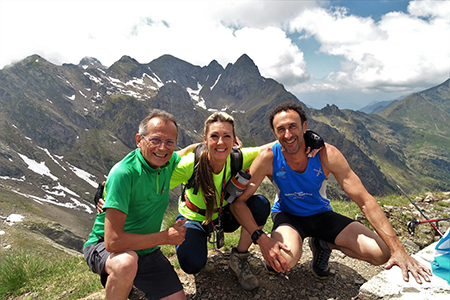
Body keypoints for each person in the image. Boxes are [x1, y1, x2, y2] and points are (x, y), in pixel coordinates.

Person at [231, 102, 433, 285]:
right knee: (283, 262)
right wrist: (262, 239)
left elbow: (364, 200)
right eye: (281, 129)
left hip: (322, 214)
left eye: (293, 126)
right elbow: (240, 202)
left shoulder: (327, 154)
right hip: (288, 216)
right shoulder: (268, 158)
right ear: (274, 133)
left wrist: (399, 250)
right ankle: (299, 245)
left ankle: (322, 244)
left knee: (380, 254)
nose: (287, 134)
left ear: (304, 126)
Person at [169, 112, 323, 291]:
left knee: (260, 204)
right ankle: (196, 245)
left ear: (234, 139)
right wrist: (190, 147)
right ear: (205, 139)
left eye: (227, 136)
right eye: (214, 137)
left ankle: (239, 258)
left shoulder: (238, 157)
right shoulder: (189, 164)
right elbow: (157, 169)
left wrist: (307, 136)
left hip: (225, 215)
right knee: (191, 264)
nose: (220, 142)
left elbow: (273, 146)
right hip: (193, 218)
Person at [83, 109, 190, 300]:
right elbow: (113, 242)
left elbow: (187, 151)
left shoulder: (168, 161)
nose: (163, 148)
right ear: (139, 140)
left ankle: (133, 286)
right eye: (155, 140)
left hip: (147, 251)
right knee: (126, 263)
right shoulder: (124, 173)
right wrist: (165, 237)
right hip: (107, 249)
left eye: (169, 142)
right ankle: (123, 284)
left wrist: (210, 143)